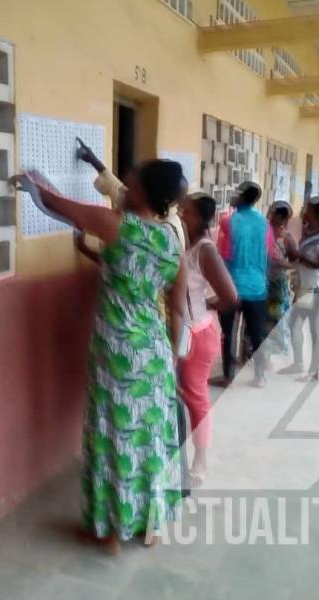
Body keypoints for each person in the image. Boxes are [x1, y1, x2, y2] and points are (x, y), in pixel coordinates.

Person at [17, 160, 187, 553]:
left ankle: (110, 532)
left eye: (131, 179)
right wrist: (172, 364)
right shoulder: (170, 241)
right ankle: (150, 525)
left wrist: (30, 181)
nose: (125, 183)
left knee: (114, 433)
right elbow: (176, 308)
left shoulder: (116, 225)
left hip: (117, 351)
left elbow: (57, 204)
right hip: (156, 353)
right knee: (150, 438)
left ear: (143, 190)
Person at [177, 193, 238, 486]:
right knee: (182, 395)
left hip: (197, 333)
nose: (179, 211)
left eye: (185, 210)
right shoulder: (181, 242)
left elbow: (230, 296)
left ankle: (201, 459)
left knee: (196, 398)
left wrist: (204, 306)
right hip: (180, 330)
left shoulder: (205, 250)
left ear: (200, 217)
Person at [215, 181, 275, 388]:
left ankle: (228, 375)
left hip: (232, 285)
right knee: (256, 332)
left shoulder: (227, 221)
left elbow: (223, 255)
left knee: (228, 333)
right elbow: (268, 254)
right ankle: (260, 376)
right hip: (257, 286)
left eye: (235, 193)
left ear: (240, 195)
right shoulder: (264, 223)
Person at [280, 197, 319, 381]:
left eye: (308, 209)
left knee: (315, 327)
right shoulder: (309, 230)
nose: (304, 210)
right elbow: (300, 257)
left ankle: (313, 371)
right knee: (294, 323)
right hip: (306, 285)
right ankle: (298, 363)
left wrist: (299, 256)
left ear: (317, 213)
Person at [265, 201, 297, 356]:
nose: (278, 218)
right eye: (276, 214)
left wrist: (281, 262)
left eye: (282, 216)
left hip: (276, 283)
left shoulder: (287, 238)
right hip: (262, 282)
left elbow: (294, 261)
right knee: (261, 317)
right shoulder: (263, 232)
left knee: (275, 316)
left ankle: (273, 350)